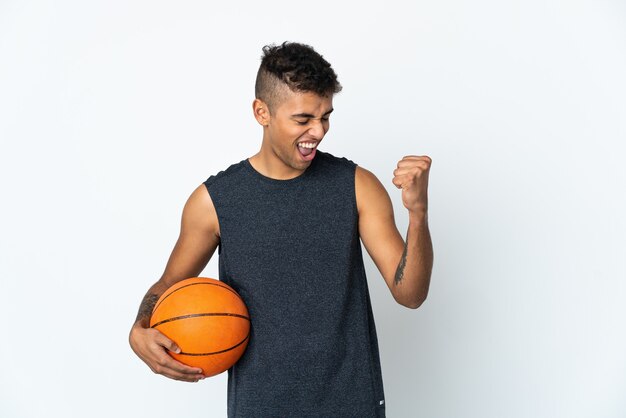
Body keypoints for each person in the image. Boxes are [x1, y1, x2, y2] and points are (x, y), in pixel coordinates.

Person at [129, 41, 433, 417]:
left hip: (351, 404)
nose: (318, 131)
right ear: (262, 112)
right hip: (260, 407)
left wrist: (417, 213)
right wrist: (139, 328)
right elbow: (169, 284)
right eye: (303, 119)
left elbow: (410, 294)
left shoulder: (357, 186)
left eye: (325, 117)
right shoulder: (214, 201)